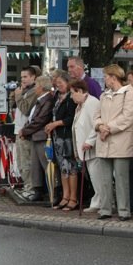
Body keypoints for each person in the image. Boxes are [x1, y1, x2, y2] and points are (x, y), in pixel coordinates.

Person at [94, 64, 133, 221]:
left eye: (106, 77)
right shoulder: (104, 95)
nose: (104, 79)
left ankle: (124, 210)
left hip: (120, 141)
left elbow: (128, 116)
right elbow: (96, 115)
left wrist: (108, 128)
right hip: (104, 140)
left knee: (121, 178)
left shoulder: (129, 93)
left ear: (113, 77)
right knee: (104, 178)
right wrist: (99, 126)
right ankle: (105, 209)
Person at [44, 71, 78, 210]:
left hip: (67, 137)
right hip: (57, 137)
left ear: (67, 83)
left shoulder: (71, 98)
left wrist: (56, 123)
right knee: (62, 167)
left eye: (61, 84)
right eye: (57, 84)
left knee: (71, 167)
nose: (59, 86)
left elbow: (71, 118)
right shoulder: (57, 97)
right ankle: (65, 196)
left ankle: (73, 198)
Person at [18, 76, 54, 203]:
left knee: (46, 165)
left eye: (37, 85)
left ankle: (53, 191)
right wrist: (26, 130)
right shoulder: (40, 100)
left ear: (41, 87)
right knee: (35, 166)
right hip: (35, 136)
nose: (35, 88)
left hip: (41, 136)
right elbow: (33, 119)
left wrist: (25, 131)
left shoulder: (47, 100)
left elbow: (40, 120)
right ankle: (38, 190)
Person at [70, 79, 102, 213]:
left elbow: (96, 125)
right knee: (94, 177)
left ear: (80, 91)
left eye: (72, 93)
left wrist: (89, 141)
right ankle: (98, 201)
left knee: (97, 176)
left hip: (92, 148)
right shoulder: (81, 105)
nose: (71, 96)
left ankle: (100, 202)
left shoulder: (92, 103)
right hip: (85, 149)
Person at [12, 66, 39, 195]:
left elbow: (26, 109)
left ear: (33, 77)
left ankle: (30, 188)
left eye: (25, 77)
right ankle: (26, 185)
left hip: (26, 131)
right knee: (20, 162)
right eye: (21, 77)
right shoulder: (24, 90)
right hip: (18, 129)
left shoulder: (34, 91)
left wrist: (18, 96)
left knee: (26, 162)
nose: (22, 79)